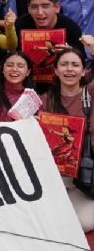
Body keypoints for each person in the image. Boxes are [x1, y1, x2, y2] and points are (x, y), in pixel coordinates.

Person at [40, 47, 94, 231]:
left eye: (75, 65)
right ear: (55, 70)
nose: (69, 69)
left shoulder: (91, 93)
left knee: (84, 223)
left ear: (84, 70)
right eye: (64, 64)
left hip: (85, 176)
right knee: (44, 222)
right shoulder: (45, 100)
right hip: (53, 175)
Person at [14, 0, 85, 65]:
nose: (40, 12)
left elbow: (82, 61)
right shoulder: (20, 25)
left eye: (45, 6)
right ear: (29, 9)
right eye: (34, 7)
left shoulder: (71, 28)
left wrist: (70, 53)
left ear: (57, 7)